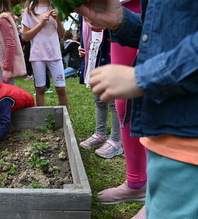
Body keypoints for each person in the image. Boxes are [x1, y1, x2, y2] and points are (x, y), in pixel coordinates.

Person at [77, 0, 198, 218]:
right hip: (168, 137)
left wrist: (144, 76)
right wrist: (122, 21)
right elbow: (170, 32)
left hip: (188, 146)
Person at [96, 0, 147, 218]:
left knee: (159, 92)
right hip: (122, 8)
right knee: (123, 100)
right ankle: (137, 183)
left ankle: (162, 192)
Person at [78, 20, 122, 159]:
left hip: (111, 51)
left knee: (114, 101)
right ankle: (100, 134)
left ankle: (116, 140)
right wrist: (82, 44)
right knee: (99, 98)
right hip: (95, 54)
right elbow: (85, 31)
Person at [21, 0, 69, 110]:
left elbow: (62, 35)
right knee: (40, 88)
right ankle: (41, 119)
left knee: (61, 88)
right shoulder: (29, 11)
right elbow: (26, 37)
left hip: (55, 54)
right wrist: (41, 23)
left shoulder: (57, 7)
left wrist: (57, 20)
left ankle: (66, 119)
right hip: (37, 54)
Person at [0, 0, 26, 85]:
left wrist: (7, 69)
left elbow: (10, 44)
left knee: (6, 92)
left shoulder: (3, 19)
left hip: (3, 65)